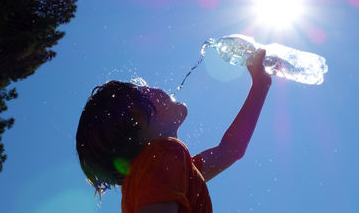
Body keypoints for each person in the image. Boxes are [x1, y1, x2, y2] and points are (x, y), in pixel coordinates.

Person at [76, 49, 272, 213]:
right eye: (143, 89)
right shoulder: (161, 154)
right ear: (137, 117)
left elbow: (231, 149)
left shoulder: (164, 168)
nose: (153, 87)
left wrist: (260, 85)